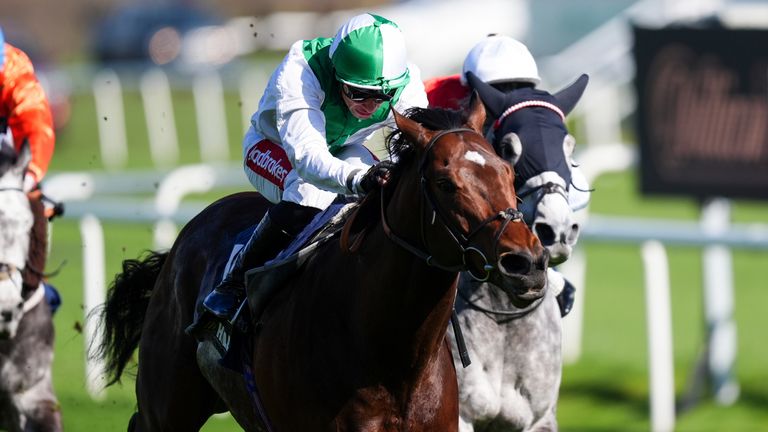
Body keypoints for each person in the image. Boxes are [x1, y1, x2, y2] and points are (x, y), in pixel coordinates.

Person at [198, 13, 428, 326]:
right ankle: (235, 283)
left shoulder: (406, 80)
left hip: (341, 150)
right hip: (274, 149)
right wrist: (357, 179)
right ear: (336, 73)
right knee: (309, 191)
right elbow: (307, 157)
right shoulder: (301, 69)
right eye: (358, 92)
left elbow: (417, 149)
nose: (371, 105)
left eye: (382, 96)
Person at [424, 34, 588, 316]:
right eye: (498, 90)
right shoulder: (439, 102)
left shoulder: (533, 118)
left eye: (519, 87)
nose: (509, 96)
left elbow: (577, 193)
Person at [0, 27, 59, 312]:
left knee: (33, 205)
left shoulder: (11, 65)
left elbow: (34, 118)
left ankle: (33, 292)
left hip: (6, 169)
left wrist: (30, 172)